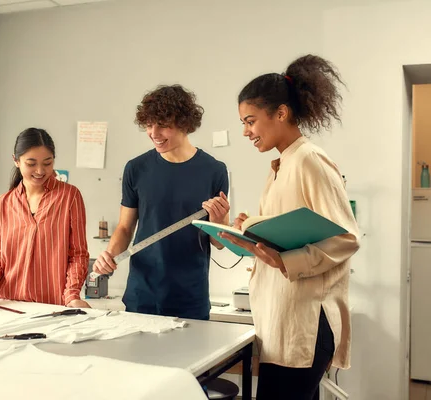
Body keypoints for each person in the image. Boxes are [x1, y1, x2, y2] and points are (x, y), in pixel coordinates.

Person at [219, 55, 360, 400]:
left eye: (250, 121)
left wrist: (286, 261)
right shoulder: (283, 164)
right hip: (283, 321)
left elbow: (345, 237)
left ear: (280, 113)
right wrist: (251, 228)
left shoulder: (308, 159)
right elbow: (294, 227)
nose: (245, 131)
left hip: (305, 325)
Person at [93, 84, 230, 320]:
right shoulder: (136, 169)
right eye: (148, 125)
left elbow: (219, 243)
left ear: (185, 124)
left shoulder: (214, 171)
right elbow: (125, 228)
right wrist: (109, 255)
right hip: (142, 296)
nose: (154, 133)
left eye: (163, 125)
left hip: (190, 298)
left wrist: (218, 222)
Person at [0, 128, 90, 310]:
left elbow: (78, 254)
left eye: (47, 163)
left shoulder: (70, 196)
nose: (40, 170)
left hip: (52, 306)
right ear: (16, 160)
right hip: (7, 305)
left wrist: (72, 295)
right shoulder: (2, 204)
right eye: (31, 163)